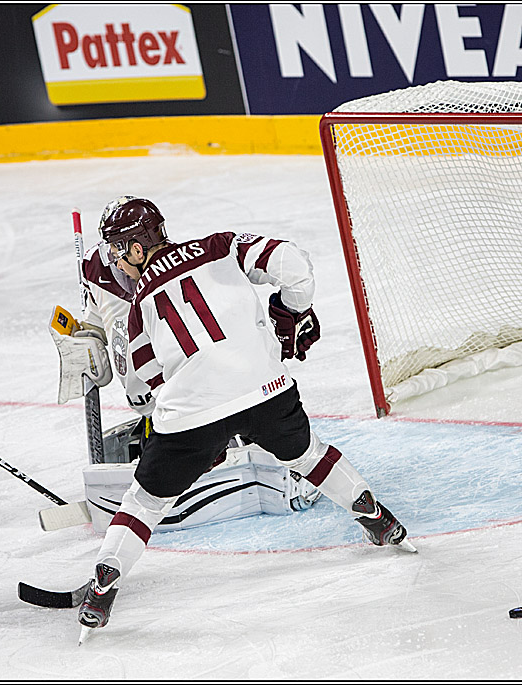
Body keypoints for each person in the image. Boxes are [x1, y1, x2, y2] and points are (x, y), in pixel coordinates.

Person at [75, 197, 413, 641]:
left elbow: (146, 378)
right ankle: (377, 517)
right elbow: (292, 262)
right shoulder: (218, 247)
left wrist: (199, 436)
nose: (120, 262)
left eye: (121, 251)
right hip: (268, 391)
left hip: (192, 417)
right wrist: (292, 310)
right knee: (308, 456)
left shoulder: (138, 306)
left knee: (144, 503)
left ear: (138, 249)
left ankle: (104, 585)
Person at [50, 197, 321, 532]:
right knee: (142, 383)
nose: (120, 266)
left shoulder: (179, 265)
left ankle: (222, 441)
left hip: (206, 385)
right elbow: (97, 316)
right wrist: (88, 339)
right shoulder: (96, 266)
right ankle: (181, 444)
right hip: (160, 384)